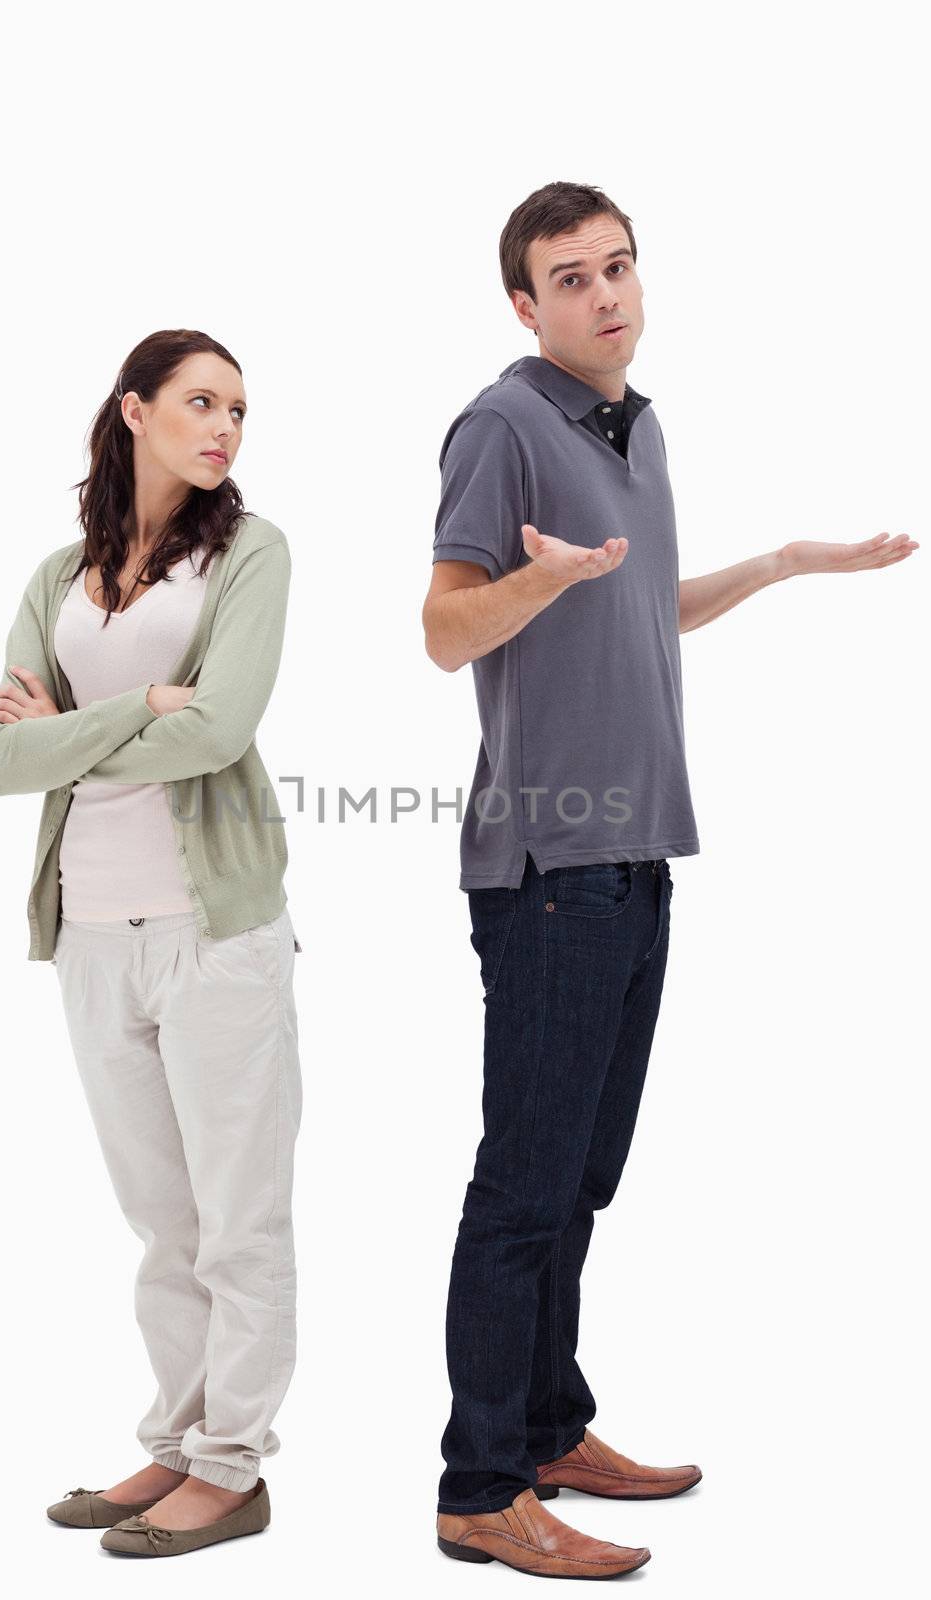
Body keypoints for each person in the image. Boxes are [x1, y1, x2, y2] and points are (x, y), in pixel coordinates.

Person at [423, 182, 917, 1580]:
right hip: (549, 865)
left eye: (617, 267)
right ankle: (475, 1488)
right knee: (520, 1184)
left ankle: (545, 1425)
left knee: (579, 1176)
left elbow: (637, 597)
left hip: (636, 857)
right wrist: (542, 581)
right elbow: (443, 631)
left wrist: (776, 565)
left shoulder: (633, 426)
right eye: (567, 277)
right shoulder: (501, 424)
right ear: (521, 304)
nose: (602, 295)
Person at [0, 329, 303, 1561]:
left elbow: (218, 731)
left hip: (213, 929)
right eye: (200, 402)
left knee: (239, 1218)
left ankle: (233, 1469)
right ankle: (174, 1441)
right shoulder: (58, 572)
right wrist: (136, 707)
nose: (224, 427)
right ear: (134, 411)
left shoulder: (251, 556)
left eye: (238, 409)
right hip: (90, 932)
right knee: (160, 1220)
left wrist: (79, 728)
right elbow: (1, 761)